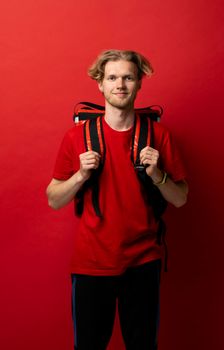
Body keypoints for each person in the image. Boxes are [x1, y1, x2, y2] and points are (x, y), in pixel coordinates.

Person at [46, 49, 188, 350]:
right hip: (92, 263)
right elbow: (54, 200)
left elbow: (180, 199)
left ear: (139, 83)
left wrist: (157, 174)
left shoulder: (159, 135)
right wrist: (80, 175)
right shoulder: (76, 137)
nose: (119, 84)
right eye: (112, 77)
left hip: (143, 260)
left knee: (143, 345)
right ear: (100, 83)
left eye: (127, 77)